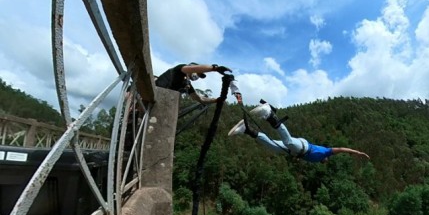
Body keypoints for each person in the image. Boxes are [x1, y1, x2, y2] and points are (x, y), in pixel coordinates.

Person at [228, 102, 370, 163]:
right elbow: (341, 149)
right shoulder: (326, 152)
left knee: (272, 146)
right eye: (326, 161)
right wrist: (357, 152)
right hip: (302, 146)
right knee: (288, 141)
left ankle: (246, 130)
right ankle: (269, 113)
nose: (325, 161)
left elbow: (301, 157)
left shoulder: (316, 160)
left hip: (296, 151)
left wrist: (296, 158)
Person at [155, 62, 242, 104]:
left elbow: (200, 99)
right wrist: (214, 68)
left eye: (199, 76)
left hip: (163, 102)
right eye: (197, 74)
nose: (197, 77)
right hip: (155, 93)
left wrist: (216, 100)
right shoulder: (179, 69)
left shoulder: (186, 85)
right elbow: (193, 69)